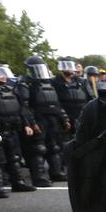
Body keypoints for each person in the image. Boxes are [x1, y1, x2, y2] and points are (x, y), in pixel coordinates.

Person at [17, 56, 71, 185]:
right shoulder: (25, 83)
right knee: (38, 148)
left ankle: (56, 172)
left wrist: (64, 118)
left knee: (55, 147)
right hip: (38, 118)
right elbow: (24, 106)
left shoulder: (49, 83)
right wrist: (31, 123)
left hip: (52, 118)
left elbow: (56, 103)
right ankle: (39, 177)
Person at [0, 62, 37, 193]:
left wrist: (27, 124)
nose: (3, 76)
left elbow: (21, 109)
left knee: (14, 157)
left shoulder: (10, 89)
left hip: (12, 129)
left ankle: (18, 183)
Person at [52, 58, 89, 131]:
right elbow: (54, 101)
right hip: (64, 119)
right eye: (66, 66)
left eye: (70, 65)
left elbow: (90, 98)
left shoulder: (82, 81)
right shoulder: (54, 81)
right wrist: (64, 118)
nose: (69, 68)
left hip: (81, 118)